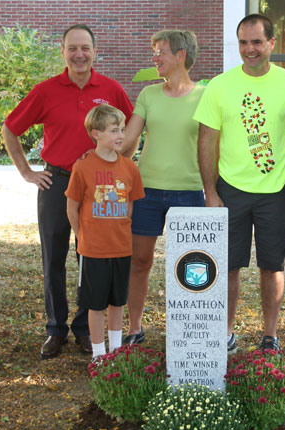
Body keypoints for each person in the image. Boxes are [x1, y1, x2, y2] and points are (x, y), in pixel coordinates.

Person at [1, 24, 134, 359]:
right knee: (54, 259)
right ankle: (56, 329)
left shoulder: (111, 88)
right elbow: (10, 128)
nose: (79, 54)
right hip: (57, 182)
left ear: (94, 50)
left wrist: (119, 165)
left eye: (85, 48)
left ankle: (84, 329)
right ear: (63, 51)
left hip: (100, 187)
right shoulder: (46, 90)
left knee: (90, 259)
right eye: (72, 48)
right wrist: (27, 172)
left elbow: (132, 130)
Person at [193, 14, 285, 353]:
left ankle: (269, 335)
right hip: (230, 190)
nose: (250, 49)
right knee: (228, 266)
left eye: (257, 42)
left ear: (271, 43)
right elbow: (206, 140)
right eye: (243, 42)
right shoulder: (220, 86)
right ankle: (226, 333)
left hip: (276, 191)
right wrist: (210, 191)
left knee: (272, 266)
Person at [120, 30, 205, 346]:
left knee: (190, 267)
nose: (155, 57)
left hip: (190, 191)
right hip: (147, 191)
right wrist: (104, 161)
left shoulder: (206, 95)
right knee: (139, 261)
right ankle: (134, 328)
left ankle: (188, 331)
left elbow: (215, 147)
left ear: (181, 55)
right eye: (154, 51)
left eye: (161, 52)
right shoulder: (148, 96)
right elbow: (129, 142)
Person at [65, 104, 144, 360]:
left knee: (117, 302)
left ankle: (116, 351)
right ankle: (99, 355)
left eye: (122, 129)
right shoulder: (83, 167)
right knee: (96, 304)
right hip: (94, 250)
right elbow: (72, 207)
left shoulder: (130, 168)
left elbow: (129, 206)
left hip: (121, 248)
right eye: (113, 130)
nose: (121, 135)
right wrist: (82, 237)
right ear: (96, 134)